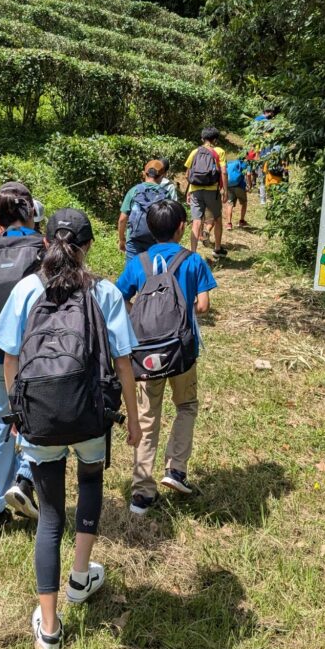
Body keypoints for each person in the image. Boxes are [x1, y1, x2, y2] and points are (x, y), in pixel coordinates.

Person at [0, 208, 141, 649]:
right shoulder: (106, 291)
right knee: (91, 481)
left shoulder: (26, 289)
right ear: (90, 244)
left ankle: (50, 629)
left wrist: (20, 413)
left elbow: (10, 360)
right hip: (90, 415)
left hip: (39, 418)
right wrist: (132, 419)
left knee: (51, 516)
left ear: (45, 244)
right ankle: (80, 577)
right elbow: (123, 364)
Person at [116, 200, 216, 514]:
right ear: (181, 227)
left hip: (146, 353)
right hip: (182, 351)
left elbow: (120, 298)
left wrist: (138, 319)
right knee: (186, 405)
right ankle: (175, 469)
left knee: (147, 417)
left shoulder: (138, 263)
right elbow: (203, 306)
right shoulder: (194, 261)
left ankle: (142, 494)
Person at [0, 182, 42, 540]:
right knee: (36, 419)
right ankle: (25, 480)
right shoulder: (42, 248)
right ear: (31, 212)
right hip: (34, 354)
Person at [184, 127, 228, 257]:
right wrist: (225, 190)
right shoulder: (219, 151)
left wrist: (189, 191)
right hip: (212, 190)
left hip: (195, 191)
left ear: (202, 139)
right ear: (215, 139)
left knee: (196, 221)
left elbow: (188, 174)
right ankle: (218, 249)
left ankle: (193, 253)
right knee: (217, 219)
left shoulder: (195, 151)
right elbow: (224, 172)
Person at [118, 160, 170, 261]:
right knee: (152, 273)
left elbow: (122, 219)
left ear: (143, 173)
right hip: (156, 241)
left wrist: (121, 240)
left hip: (134, 240)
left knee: (132, 272)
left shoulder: (134, 191)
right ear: (162, 176)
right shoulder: (166, 195)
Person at [225, 156, 249, 230]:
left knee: (230, 204)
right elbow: (248, 174)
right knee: (244, 203)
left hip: (229, 186)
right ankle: (241, 221)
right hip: (240, 186)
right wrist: (249, 185)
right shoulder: (244, 163)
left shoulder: (230, 163)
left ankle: (229, 224)